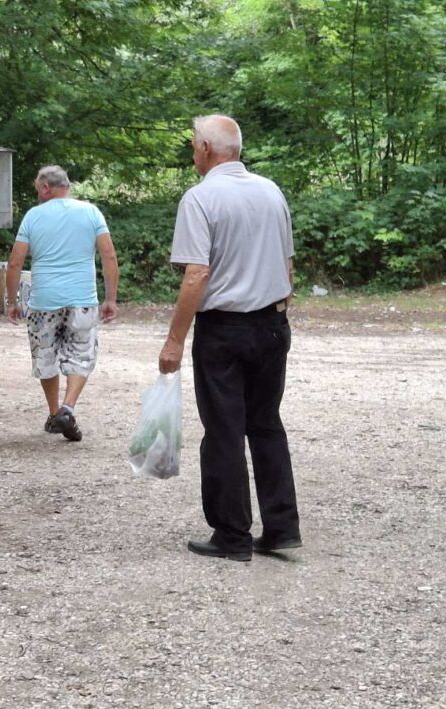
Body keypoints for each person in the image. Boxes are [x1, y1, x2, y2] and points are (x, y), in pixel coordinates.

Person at [158, 114, 300, 563]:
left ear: (204, 148)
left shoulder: (200, 199)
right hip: (273, 323)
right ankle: (280, 528)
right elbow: (289, 264)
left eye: (192, 145)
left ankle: (232, 535)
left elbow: (196, 274)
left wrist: (175, 340)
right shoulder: (271, 191)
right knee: (266, 424)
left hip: (224, 328)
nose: (191, 152)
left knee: (223, 430)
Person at [5, 165, 120, 442]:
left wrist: (12, 301)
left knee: (46, 356)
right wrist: (111, 298)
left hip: (44, 300)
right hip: (82, 298)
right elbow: (109, 256)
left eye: (37, 189)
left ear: (46, 187)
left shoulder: (33, 216)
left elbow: (15, 262)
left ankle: (56, 410)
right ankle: (67, 408)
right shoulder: (91, 212)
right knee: (81, 354)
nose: (37, 194)